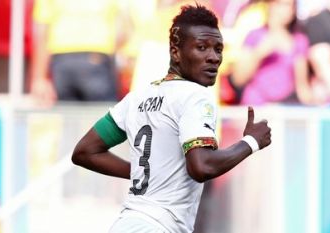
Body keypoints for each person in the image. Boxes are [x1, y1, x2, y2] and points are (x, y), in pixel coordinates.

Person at [72, 4, 272, 233]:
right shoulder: (195, 96)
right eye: (201, 47)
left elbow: (85, 151)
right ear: (176, 52)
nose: (213, 57)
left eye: (218, 49)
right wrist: (251, 142)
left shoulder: (137, 97)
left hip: (126, 224)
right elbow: (201, 166)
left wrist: (143, 172)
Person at [31, 0, 130, 104]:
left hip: (62, 59)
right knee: (102, 114)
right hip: (97, 56)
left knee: (68, 116)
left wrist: (39, 78)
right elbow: (123, 30)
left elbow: (42, 34)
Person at [231, 0, 317, 105]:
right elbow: (238, 79)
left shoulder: (299, 41)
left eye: (289, 6)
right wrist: (259, 53)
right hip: (255, 107)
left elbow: (302, 87)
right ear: (270, 5)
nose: (285, 10)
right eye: (280, 4)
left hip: (283, 108)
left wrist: (315, 104)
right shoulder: (254, 36)